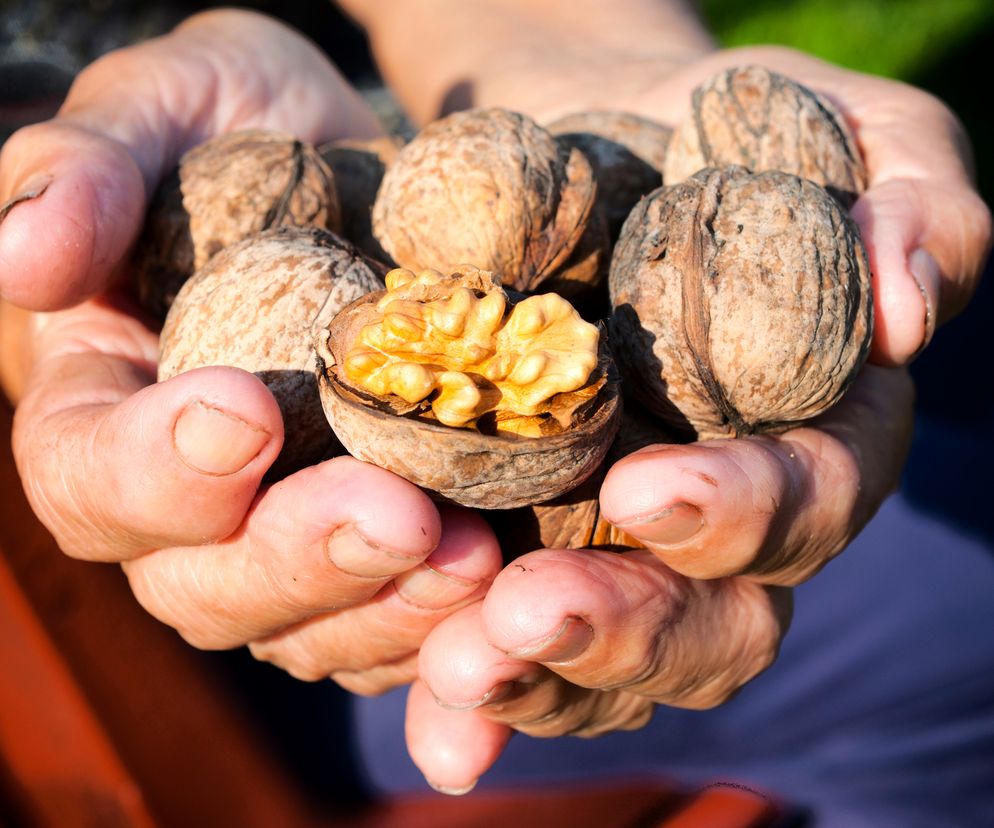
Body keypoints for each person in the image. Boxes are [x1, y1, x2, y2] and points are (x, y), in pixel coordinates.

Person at [0, 2, 991, 824]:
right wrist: (48, 265)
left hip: (382, 136)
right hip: (254, 654)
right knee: (961, 633)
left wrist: (564, 32)